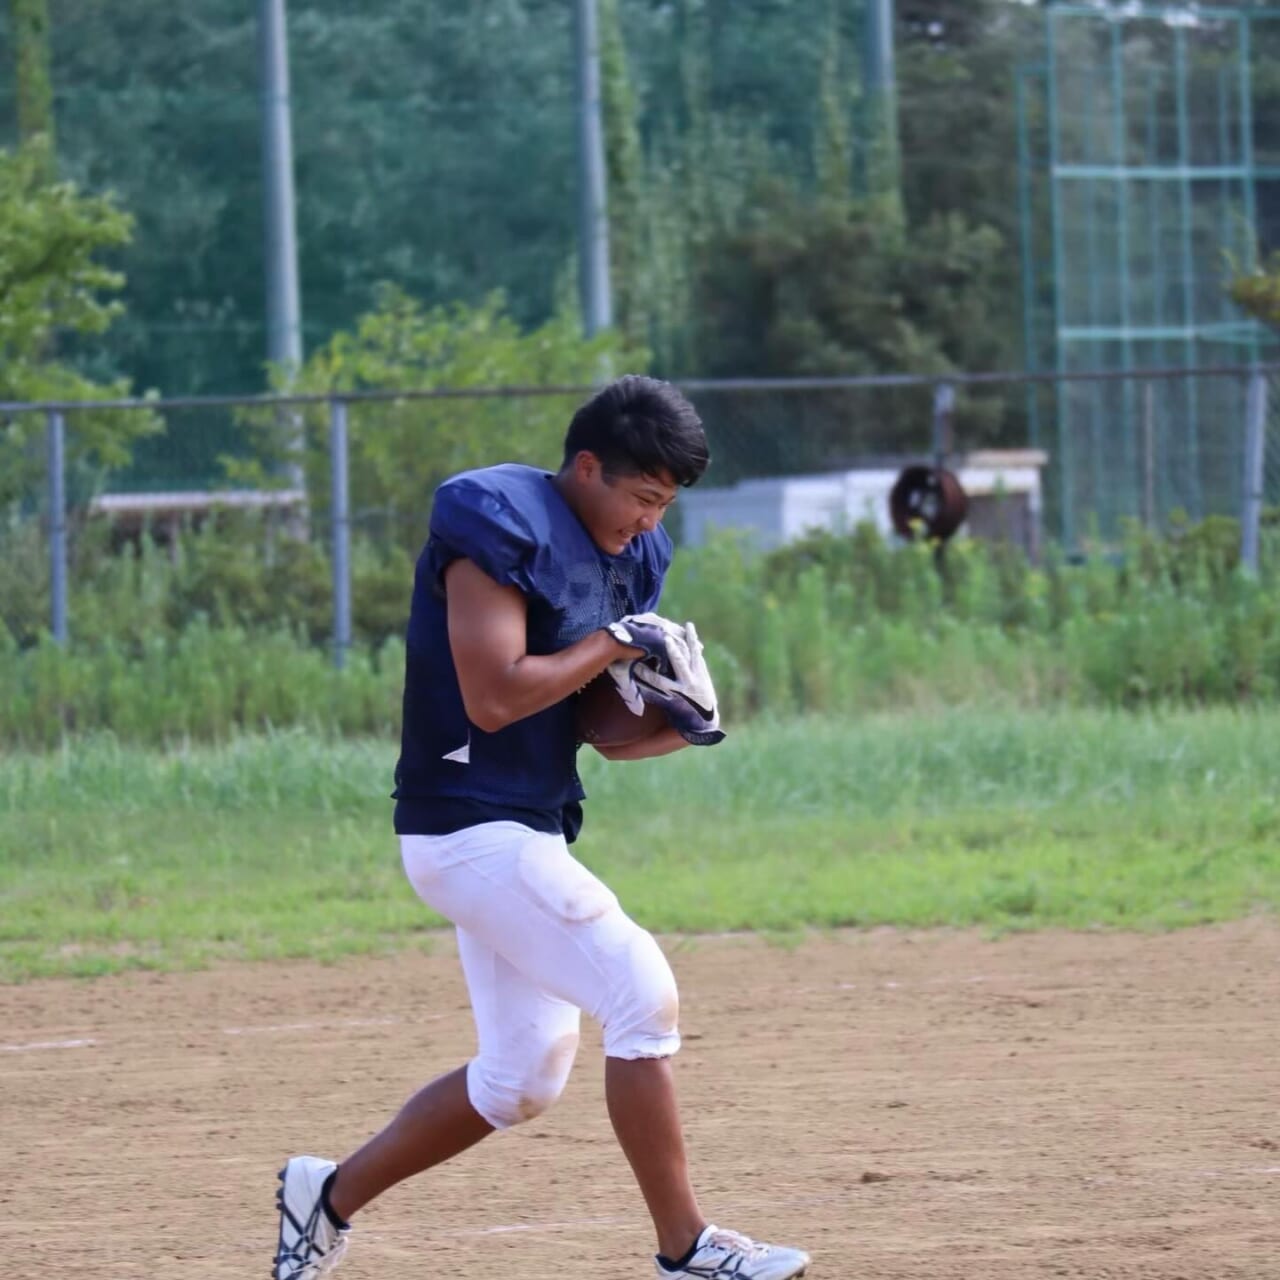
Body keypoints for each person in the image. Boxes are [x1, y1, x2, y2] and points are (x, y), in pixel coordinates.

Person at [272, 375, 811, 1280]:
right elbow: (494, 697)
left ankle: (325, 1197)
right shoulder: (496, 523)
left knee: (521, 1077)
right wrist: (614, 643)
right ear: (588, 467)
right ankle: (686, 1249)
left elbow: (595, 727)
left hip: (529, 826)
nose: (650, 522)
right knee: (641, 993)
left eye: (665, 505)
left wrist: (678, 721)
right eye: (643, 497)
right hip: (464, 827)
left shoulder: (629, 551)